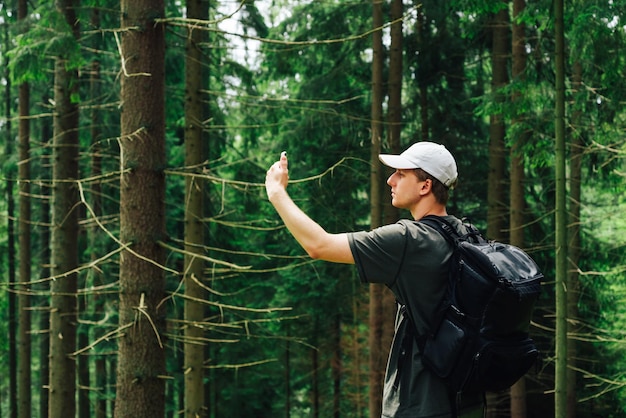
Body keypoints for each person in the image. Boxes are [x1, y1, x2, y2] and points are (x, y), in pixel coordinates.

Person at [265, 142, 484, 417]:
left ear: (425, 186)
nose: (390, 180)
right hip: (467, 403)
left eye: (401, 174)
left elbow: (318, 245)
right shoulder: (468, 235)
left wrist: (276, 193)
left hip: (419, 406)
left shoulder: (410, 240)